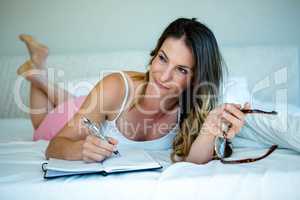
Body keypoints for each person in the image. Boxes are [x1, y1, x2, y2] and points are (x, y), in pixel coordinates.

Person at [17, 18, 249, 164]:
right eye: (162, 58)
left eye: (180, 70)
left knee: (79, 101)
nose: (163, 75)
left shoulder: (190, 110)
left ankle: (38, 71)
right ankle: (37, 72)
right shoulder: (116, 87)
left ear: (196, 78)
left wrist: (212, 129)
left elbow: (195, 160)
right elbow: (55, 146)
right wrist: (79, 149)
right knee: (41, 123)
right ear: (154, 53)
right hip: (92, 110)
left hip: (95, 107)